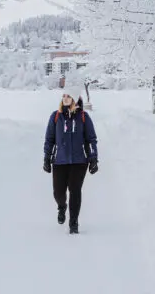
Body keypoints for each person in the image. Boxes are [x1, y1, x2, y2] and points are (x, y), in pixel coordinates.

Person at [43, 89, 98, 234]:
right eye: (64, 96)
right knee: (58, 192)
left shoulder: (83, 117)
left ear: (75, 99)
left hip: (79, 161)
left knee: (75, 191)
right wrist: (47, 157)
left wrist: (93, 158)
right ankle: (62, 207)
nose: (65, 98)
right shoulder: (55, 116)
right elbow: (49, 139)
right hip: (60, 161)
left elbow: (91, 139)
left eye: (68, 96)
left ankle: (74, 223)